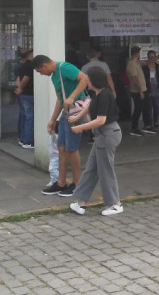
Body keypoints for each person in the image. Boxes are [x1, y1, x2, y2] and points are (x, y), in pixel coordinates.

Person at [67, 66, 124, 216]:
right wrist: (77, 117)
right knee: (91, 168)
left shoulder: (105, 95)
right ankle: (81, 202)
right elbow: (90, 106)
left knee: (105, 170)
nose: (86, 80)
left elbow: (100, 120)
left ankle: (115, 204)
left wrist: (79, 128)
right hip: (102, 136)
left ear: (93, 80)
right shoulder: (98, 94)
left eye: (88, 78)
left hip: (107, 135)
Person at [33, 54, 89, 197]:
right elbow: (60, 99)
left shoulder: (64, 68)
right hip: (65, 114)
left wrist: (72, 97)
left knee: (72, 149)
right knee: (61, 148)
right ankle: (61, 183)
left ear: (44, 66)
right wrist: (52, 120)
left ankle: (78, 184)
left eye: (40, 71)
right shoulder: (54, 76)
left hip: (75, 113)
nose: (41, 74)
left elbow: (84, 78)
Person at [126, 46, 154, 136]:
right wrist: (140, 91)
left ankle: (147, 125)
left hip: (143, 90)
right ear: (136, 53)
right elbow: (134, 79)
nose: (139, 54)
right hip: (137, 91)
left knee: (146, 107)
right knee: (138, 109)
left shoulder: (137, 62)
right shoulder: (131, 64)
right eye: (139, 52)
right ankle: (134, 128)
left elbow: (148, 62)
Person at [13, 48, 34, 148]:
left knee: (24, 116)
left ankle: (22, 138)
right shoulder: (30, 66)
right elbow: (26, 78)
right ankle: (27, 141)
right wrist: (21, 88)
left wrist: (20, 88)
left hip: (23, 95)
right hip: (29, 94)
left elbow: (18, 79)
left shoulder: (19, 66)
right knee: (29, 117)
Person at [142, 50, 159, 130]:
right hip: (148, 89)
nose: (152, 58)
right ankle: (149, 123)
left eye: (153, 57)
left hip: (156, 89)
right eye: (150, 57)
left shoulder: (158, 66)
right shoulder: (145, 66)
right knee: (148, 107)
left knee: (156, 107)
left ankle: (155, 121)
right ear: (148, 57)